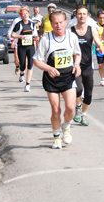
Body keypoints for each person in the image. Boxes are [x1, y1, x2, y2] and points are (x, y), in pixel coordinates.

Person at [33, 11, 81, 149]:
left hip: (68, 77)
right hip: (52, 79)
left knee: (71, 108)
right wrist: (48, 68)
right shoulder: (46, 39)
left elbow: (77, 53)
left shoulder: (71, 37)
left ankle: (66, 127)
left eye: (61, 22)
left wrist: (77, 64)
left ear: (66, 23)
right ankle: (56, 137)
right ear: (51, 24)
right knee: (56, 110)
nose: (58, 26)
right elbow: (36, 60)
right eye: (55, 23)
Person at [71, 6, 104, 126]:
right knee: (78, 89)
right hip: (75, 65)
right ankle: (78, 107)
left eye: (84, 14)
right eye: (79, 14)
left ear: (87, 16)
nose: (82, 16)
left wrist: (101, 47)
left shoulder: (91, 30)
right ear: (76, 15)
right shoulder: (71, 30)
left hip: (88, 65)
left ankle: (83, 114)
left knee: (89, 93)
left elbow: (98, 42)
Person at [11, 6, 39, 92]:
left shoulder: (32, 24)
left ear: (29, 14)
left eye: (26, 13)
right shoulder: (18, 24)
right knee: (22, 64)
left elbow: (35, 34)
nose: (25, 15)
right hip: (21, 46)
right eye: (23, 14)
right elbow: (12, 34)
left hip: (30, 46)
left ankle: (28, 84)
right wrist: (20, 36)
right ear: (21, 15)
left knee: (30, 64)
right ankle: (21, 73)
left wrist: (36, 38)